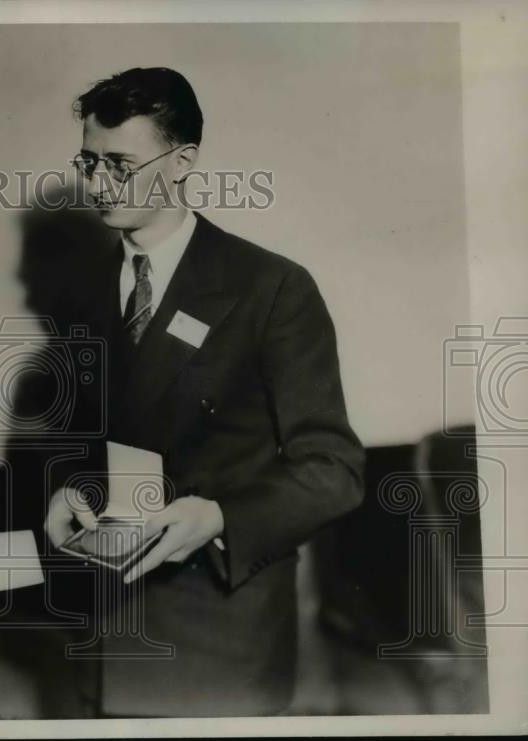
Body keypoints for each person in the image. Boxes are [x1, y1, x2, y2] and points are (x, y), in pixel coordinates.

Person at [40, 67, 365, 717]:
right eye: (88, 161)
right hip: (106, 627)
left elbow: (335, 470)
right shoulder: (84, 292)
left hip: (219, 633)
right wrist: (70, 491)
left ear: (182, 162)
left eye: (121, 164)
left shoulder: (270, 288)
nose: (99, 182)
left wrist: (217, 516)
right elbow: (102, 439)